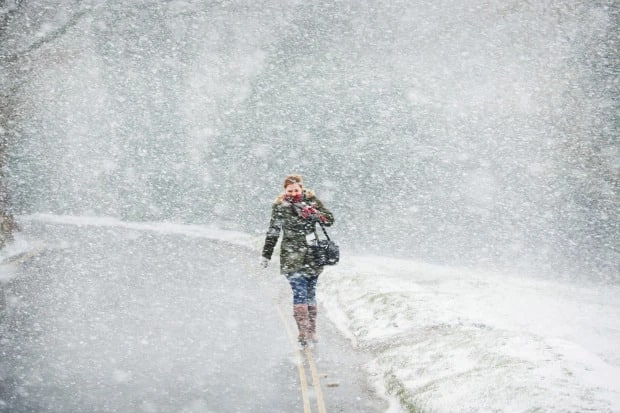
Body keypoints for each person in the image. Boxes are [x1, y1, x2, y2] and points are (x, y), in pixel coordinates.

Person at [260, 174, 334, 346]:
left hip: (313, 255)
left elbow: (329, 220)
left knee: (310, 292)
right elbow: (273, 232)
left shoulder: (312, 201)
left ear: (302, 188)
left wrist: (315, 213)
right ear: (284, 190)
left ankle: (312, 329)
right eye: (289, 190)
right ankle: (303, 331)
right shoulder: (280, 207)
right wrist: (266, 254)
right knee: (299, 291)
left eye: (296, 189)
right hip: (291, 256)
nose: (293, 193)